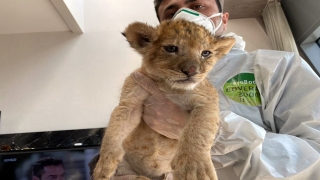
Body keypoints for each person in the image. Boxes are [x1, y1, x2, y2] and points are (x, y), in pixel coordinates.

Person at [132, 0, 320, 179]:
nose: (184, 17)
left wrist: (207, 132)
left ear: (223, 19)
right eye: (172, 13)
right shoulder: (152, 83)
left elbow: (314, 159)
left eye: (198, 5)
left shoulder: (279, 67)